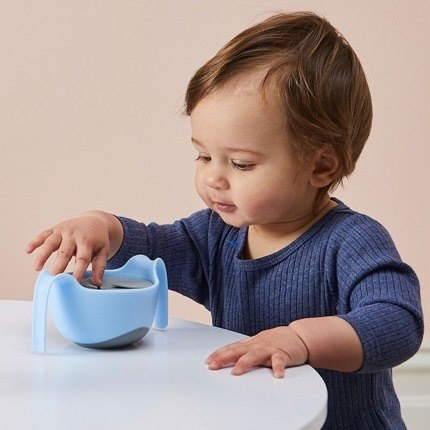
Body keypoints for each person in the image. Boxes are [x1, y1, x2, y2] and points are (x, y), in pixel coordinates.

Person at [26, 11, 423, 429]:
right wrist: (102, 225)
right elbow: (154, 246)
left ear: (321, 166)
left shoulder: (353, 241)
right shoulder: (217, 235)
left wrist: (300, 340)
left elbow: (397, 322)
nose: (213, 177)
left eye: (240, 163)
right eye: (203, 156)